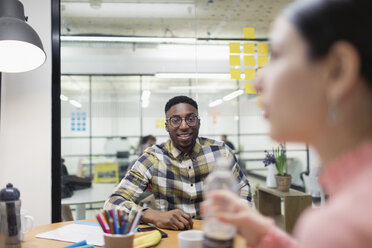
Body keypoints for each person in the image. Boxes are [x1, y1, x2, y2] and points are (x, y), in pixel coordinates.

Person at [203, 0, 372, 247]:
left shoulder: (340, 226)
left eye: (277, 55)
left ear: (338, 70)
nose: (256, 81)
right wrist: (265, 236)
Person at [104, 95, 251, 230]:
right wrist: (153, 215)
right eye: (175, 120)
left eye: (190, 118)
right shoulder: (153, 158)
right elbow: (112, 203)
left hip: (215, 233)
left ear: (198, 122)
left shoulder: (220, 152)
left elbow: (243, 187)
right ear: (166, 126)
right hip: (171, 237)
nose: (184, 126)